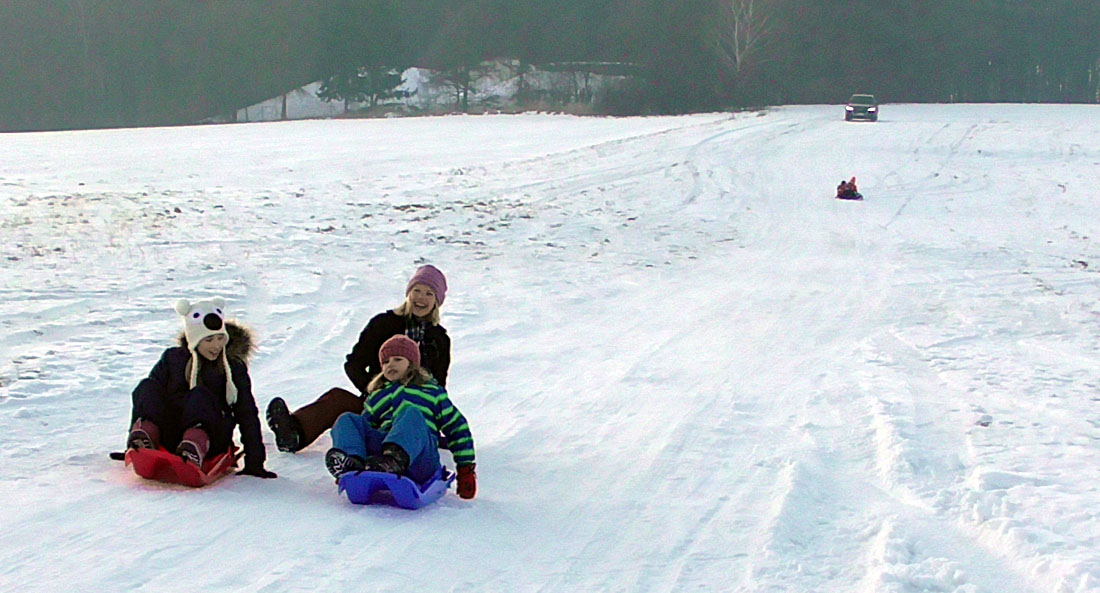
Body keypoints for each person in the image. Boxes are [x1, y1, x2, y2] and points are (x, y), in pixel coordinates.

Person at [266, 264, 451, 453]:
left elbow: (439, 385)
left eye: (429, 294)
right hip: (376, 408)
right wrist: (374, 391)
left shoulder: (439, 339)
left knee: (410, 417)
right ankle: (293, 433)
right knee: (337, 399)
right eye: (417, 291)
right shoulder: (383, 323)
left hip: (413, 415)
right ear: (408, 293)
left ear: (437, 301)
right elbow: (354, 364)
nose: (421, 298)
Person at [127, 297, 276, 479]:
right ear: (194, 341)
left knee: (200, 395)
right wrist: (131, 450)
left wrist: (255, 462)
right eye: (209, 340)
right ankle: (143, 439)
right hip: (173, 431)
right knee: (147, 386)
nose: (216, 345)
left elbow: (247, 413)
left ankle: (194, 446)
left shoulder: (232, 367)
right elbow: (146, 401)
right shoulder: (173, 359)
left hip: (212, 437)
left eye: (221, 338)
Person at [325, 335, 477, 499]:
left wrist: (465, 469)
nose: (390, 364)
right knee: (348, 419)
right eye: (385, 362)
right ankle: (353, 463)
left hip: (421, 458)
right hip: (381, 457)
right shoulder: (377, 396)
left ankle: (395, 458)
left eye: (397, 359)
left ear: (412, 363)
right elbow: (365, 430)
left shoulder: (432, 392)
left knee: (410, 413)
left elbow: (457, 428)